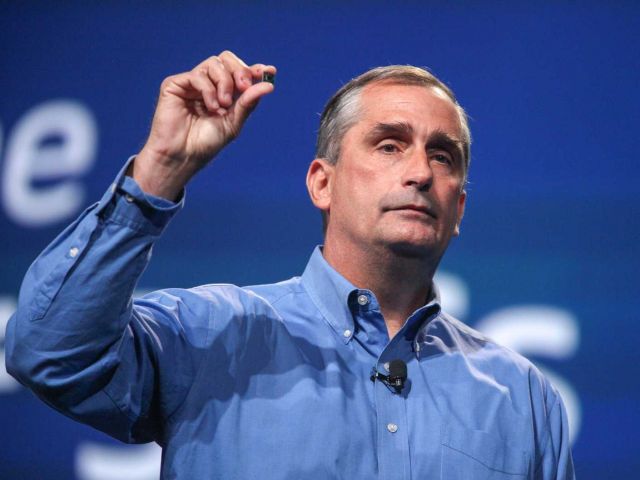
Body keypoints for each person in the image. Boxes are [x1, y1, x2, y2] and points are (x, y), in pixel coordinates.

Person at [5, 50, 575, 479]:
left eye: (442, 156)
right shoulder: (210, 334)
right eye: (389, 145)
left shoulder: (523, 399)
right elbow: (49, 353)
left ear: (459, 209)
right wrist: (159, 171)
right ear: (322, 184)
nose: (421, 172)